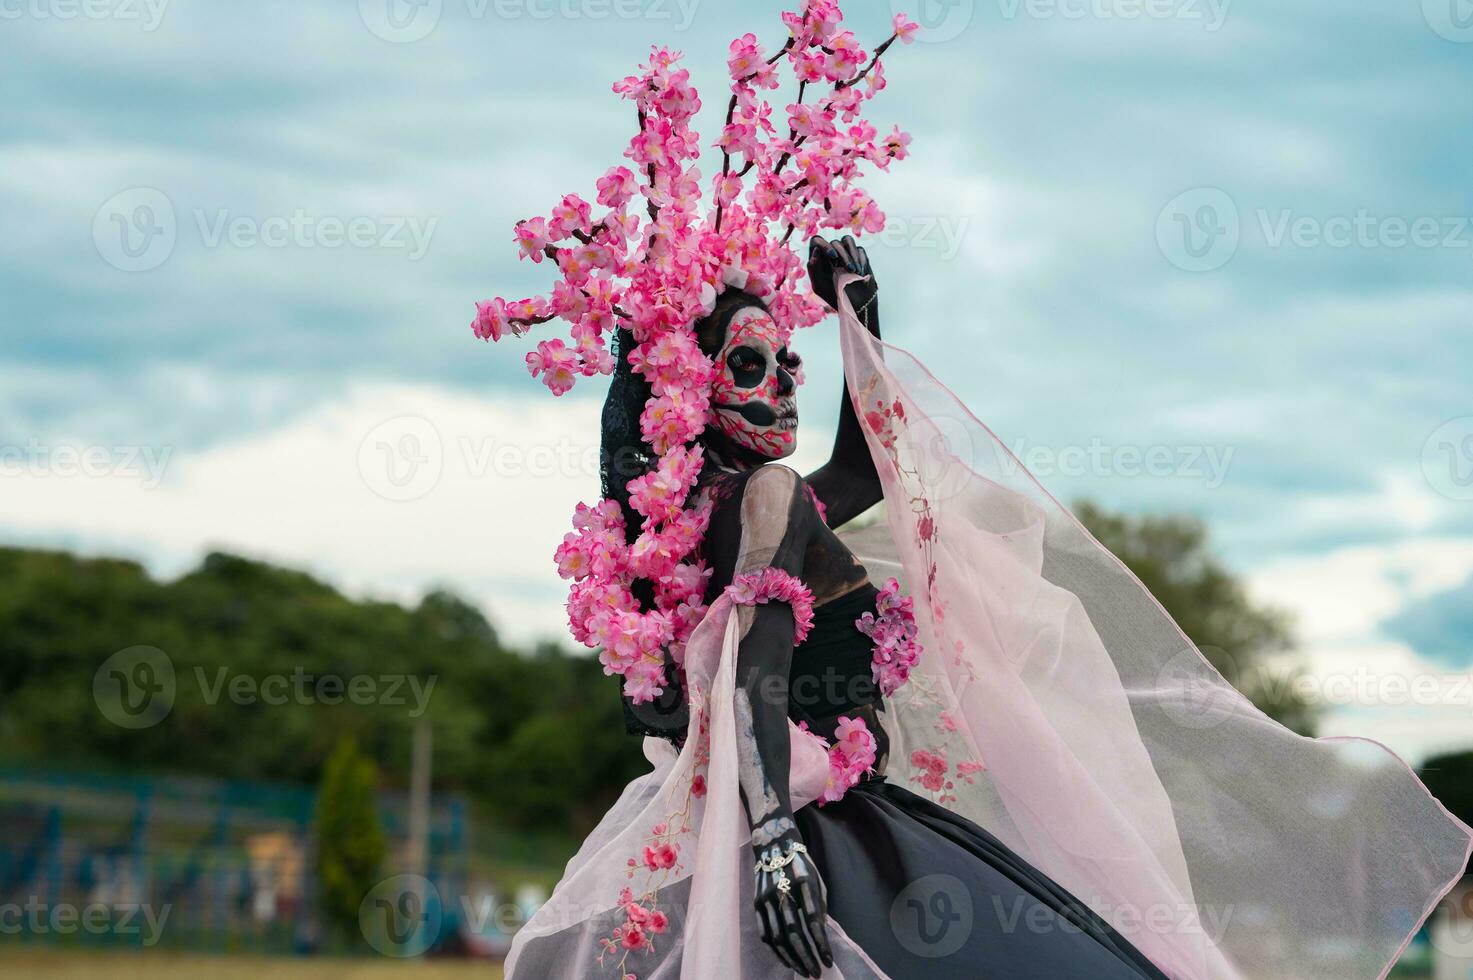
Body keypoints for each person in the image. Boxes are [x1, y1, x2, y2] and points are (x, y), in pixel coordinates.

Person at [474, 6, 1473, 977]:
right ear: (690, 391)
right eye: (750, 366)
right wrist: (776, 829)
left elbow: (862, 472)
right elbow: (755, 670)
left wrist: (860, 319)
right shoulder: (766, 499)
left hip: (806, 827)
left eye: (790, 361)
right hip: (814, 839)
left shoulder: (735, 519)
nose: (783, 380)